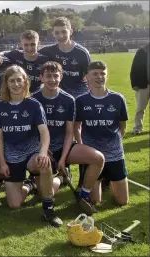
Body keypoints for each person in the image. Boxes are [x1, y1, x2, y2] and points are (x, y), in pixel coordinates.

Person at [0, 65, 62, 227]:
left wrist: (43, 153)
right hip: (12, 156)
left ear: (25, 82)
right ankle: (30, 185)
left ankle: (48, 209)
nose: (16, 84)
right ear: (6, 83)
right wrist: (2, 162)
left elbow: (44, 132)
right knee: (14, 204)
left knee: (44, 164)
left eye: (19, 80)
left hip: (32, 153)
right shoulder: (0, 107)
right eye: (12, 81)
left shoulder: (33, 105)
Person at [32, 61, 104, 215]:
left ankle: (83, 195)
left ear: (61, 76)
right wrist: (43, 150)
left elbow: (69, 133)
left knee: (98, 158)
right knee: (45, 193)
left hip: (64, 146)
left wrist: (63, 158)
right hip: (43, 149)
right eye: (48, 76)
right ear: (41, 78)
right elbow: (32, 132)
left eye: (55, 76)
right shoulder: (33, 99)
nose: (52, 79)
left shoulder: (68, 100)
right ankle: (59, 178)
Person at [38, 16, 92, 190]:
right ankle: (62, 170)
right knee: (58, 131)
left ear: (71, 31)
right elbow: (25, 53)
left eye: (64, 31)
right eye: (57, 32)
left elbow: (88, 79)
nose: (60, 35)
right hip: (57, 96)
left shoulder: (82, 53)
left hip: (77, 97)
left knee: (79, 136)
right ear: (53, 33)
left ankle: (86, 177)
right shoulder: (48, 51)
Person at [75, 61, 129, 207]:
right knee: (94, 201)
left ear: (107, 76)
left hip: (115, 153)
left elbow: (122, 126)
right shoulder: (81, 101)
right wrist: (82, 146)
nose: (99, 77)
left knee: (122, 201)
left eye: (102, 73)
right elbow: (77, 126)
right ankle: (97, 181)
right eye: (95, 74)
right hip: (93, 155)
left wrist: (115, 143)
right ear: (87, 77)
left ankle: (108, 179)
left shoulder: (118, 99)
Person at [130, 43, 149, 135]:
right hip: (143, 84)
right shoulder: (142, 51)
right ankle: (138, 127)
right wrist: (134, 83)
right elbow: (134, 68)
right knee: (140, 108)